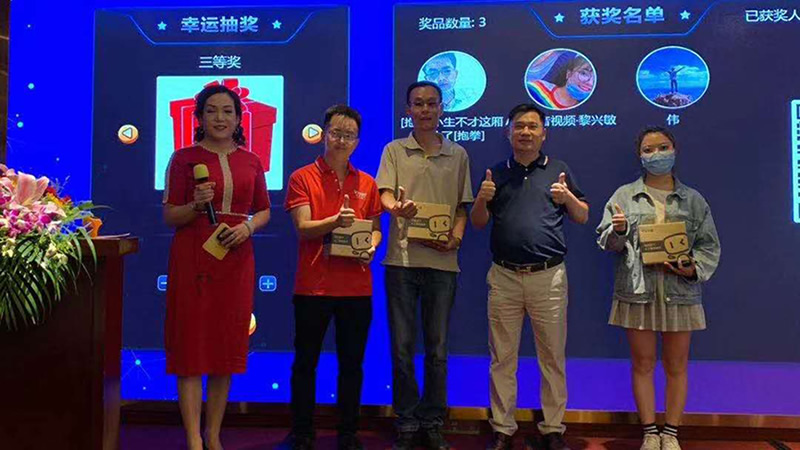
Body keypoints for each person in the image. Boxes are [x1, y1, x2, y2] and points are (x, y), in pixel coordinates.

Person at [471, 104, 588, 450]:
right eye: (519, 126)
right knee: (502, 358)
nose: (525, 132)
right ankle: (502, 429)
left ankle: (552, 429)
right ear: (507, 132)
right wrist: (482, 199)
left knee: (552, 357)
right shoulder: (495, 172)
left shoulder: (559, 170)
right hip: (504, 276)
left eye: (532, 126)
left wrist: (567, 197)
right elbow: (477, 222)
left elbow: (582, 216)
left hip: (548, 277)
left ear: (544, 133)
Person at [596, 126, 721, 450]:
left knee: (677, 366)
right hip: (637, 291)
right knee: (642, 364)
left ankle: (672, 433)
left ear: (674, 150)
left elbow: (709, 245)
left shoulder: (693, 199)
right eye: (649, 150)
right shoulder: (624, 195)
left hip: (680, 291)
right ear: (639, 156)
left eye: (663, 147)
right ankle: (650, 432)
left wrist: (693, 268)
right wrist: (618, 231)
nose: (657, 155)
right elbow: (606, 242)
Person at [162, 84, 271, 450]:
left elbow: (264, 210)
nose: (220, 118)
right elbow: (170, 216)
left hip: (236, 258)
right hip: (192, 258)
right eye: (211, 111)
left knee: (226, 348)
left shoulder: (252, 161)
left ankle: (213, 434)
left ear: (239, 118)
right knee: (191, 348)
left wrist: (247, 228)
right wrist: (195, 205)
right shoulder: (183, 159)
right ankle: (193, 438)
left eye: (227, 111)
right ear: (199, 117)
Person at [376, 81, 473, 450]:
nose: (425, 110)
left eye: (432, 104)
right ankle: (406, 421)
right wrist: (395, 209)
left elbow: (462, 207)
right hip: (401, 261)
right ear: (408, 110)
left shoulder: (458, 154)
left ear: (441, 108)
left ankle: (433, 422)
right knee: (401, 349)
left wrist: (456, 239)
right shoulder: (394, 150)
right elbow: (385, 194)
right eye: (418, 104)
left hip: (443, 264)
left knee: (437, 350)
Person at [281, 105, 383, 450]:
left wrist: (372, 245)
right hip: (314, 286)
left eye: (349, 135)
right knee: (305, 362)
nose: (342, 140)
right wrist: (334, 222)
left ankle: (348, 432)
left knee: (352, 364)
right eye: (336, 133)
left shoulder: (367, 182)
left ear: (358, 140)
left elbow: (375, 228)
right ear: (324, 135)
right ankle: (302, 432)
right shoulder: (302, 177)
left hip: (357, 288)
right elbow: (303, 228)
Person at [526, 52, 595, 110]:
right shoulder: (535, 88)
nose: (590, 83)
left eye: (594, 79)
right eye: (583, 73)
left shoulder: (586, 110)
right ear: (569, 74)